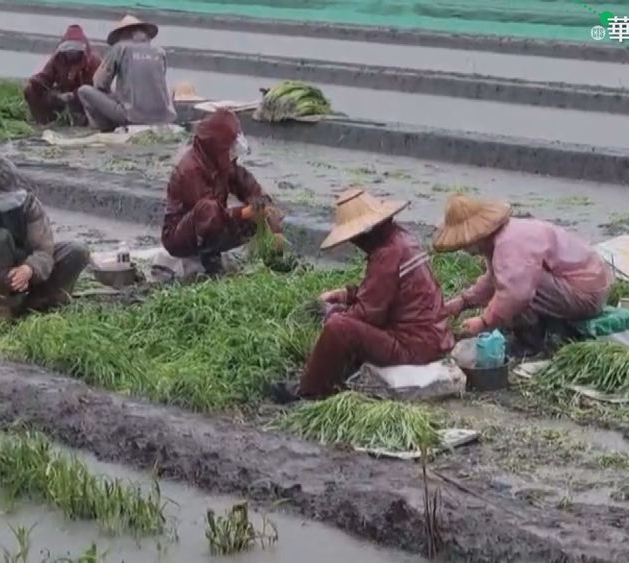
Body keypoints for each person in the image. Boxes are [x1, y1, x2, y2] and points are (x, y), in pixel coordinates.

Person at [269, 189, 453, 403]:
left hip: (413, 346)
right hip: (432, 338)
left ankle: (309, 391)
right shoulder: (402, 238)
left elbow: (368, 314)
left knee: (338, 327)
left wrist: (334, 312)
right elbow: (388, 292)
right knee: (343, 320)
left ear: (366, 233)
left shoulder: (387, 253)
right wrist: (345, 294)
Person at [435, 195, 614, 355]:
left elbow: (515, 293)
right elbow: (494, 279)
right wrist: (463, 302)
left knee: (517, 292)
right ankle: (547, 328)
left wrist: (484, 322)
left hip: (586, 293)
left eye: (465, 245)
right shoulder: (503, 237)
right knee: (511, 282)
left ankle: (529, 343)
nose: (466, 250)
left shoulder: (510, 244)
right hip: (579, 285)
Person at [0, 153, 90, 319]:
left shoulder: (29, 204)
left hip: (23, 266)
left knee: (77, 251)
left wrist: (29, 269)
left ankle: (45, 303)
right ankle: (0, 309)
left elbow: (44, 250)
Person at [161, 108, 283, 274]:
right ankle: (205, 257)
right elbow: (207, 215)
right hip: (181, 235)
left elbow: (247, 184)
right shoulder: (191, 169)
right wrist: (243, 213)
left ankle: (269, 260)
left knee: (257, 211)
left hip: (213, 227)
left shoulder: (220, 163)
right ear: (217, 145)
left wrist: (270, 219)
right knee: (208, 209)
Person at [77, 15, 177, 132]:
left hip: (133, 116)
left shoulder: (120, 48)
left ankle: (105, 129)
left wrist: (114, 94)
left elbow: (100, 83)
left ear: (123, 34)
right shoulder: (160, 52)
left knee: (84, 91)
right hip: (164, 117)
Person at [23, 25, 101, 126]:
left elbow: (97, 87)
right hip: (61, 96)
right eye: (68, 50)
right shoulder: (58, 59)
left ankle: (84, 122)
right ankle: (44, 121)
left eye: (75, 50)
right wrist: (35, 82)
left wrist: (74, 95)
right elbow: (45, 78)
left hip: (82, 100)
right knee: (30, 90)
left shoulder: (93, 61)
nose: (71, 54)